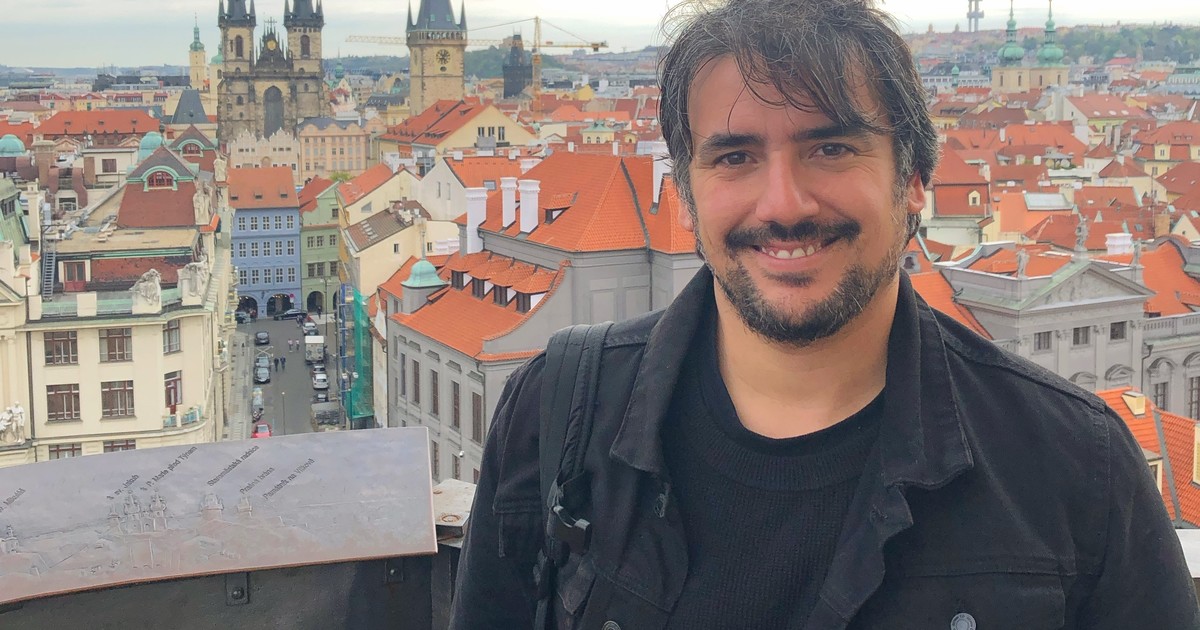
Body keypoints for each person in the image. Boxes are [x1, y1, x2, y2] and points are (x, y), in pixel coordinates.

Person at [451, 1, 1198, 629]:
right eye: (735, 158)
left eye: (831, 148)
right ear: (686, 195)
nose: (784, 204)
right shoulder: (556, 416)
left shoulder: (1078, 467)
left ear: (913, 180)